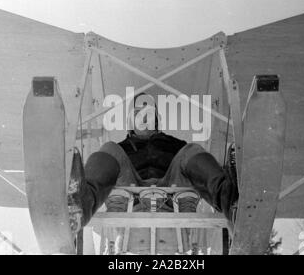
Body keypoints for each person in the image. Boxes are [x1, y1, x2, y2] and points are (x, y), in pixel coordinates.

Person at [69, 93, 238, 254]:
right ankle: (79, 208)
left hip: (172, 200)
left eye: (148, 113)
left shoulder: (176, 144)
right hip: (131, 200)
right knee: (109, 148)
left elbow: (191, 165)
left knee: (192, 149)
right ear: (130, 120)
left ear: (156, 119)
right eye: (138, 113)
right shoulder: (121, 149)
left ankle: (232, 203)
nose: (144, 118)